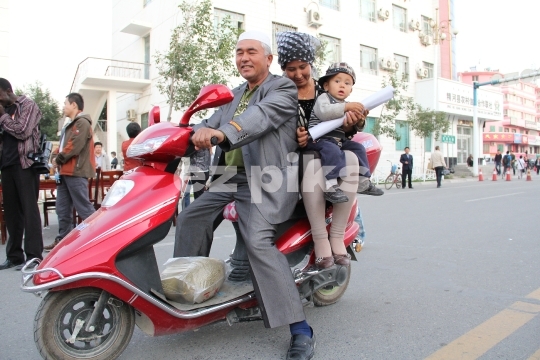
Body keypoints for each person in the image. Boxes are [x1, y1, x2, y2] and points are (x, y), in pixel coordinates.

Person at [173, 30, 315, 359]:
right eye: (239, 52)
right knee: (191, 216)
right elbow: (208, 122)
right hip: (229, 177)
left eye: (251, 51)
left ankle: (300, 328)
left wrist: (222, 133)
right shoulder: (234, 94)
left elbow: (258, 118)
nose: (244, 58)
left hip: (264, 178)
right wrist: (186, 131)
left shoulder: (281, 88)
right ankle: (188, 287)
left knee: (258, 242)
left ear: (268, 59)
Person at [277, 31, 363, 271]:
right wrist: (295, 137)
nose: (297, 74)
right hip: (294, 158)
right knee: (313, 163)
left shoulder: (327, 90)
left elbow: (342, 129)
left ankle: (337, 236)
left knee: (351, 157)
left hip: (328, 149)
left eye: (302, 67)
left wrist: (350, 123)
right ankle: (320, 239)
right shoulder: (280, 93)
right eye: (290, 69)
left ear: (311, 65)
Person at [304, 62, 381, 203]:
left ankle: (363, 181)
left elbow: (357, 128)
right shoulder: (324, 99)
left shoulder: (347, 104)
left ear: (351, 90)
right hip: (320, 139)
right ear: (326, 85)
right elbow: (324, 113)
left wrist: (360, 120)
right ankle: (330, 185)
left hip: (338, 140)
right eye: (337, 81)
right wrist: (346, 107)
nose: (342, 86)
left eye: (347, 83)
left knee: (358, 148)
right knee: (331, 149)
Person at [0, 78, 44, 270]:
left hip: (25, 164)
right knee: (11, 213)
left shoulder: (28, 105)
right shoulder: (4, 110)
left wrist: (3, 117)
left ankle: (34, 257)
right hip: (7, 164)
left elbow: (22, 131)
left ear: (8, 90)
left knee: (29, 211)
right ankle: (14, 256)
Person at [44, 93, 96, 252]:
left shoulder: (82, 123)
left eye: (65, 103)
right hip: (66, 172)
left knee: (84, 208)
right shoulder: (70, 124)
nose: (64, 106)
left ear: (74, 105)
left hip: (76, 171)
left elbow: (74, 146)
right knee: (62, 208)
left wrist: (58, 159)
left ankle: (98, 237)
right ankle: (64, 241)